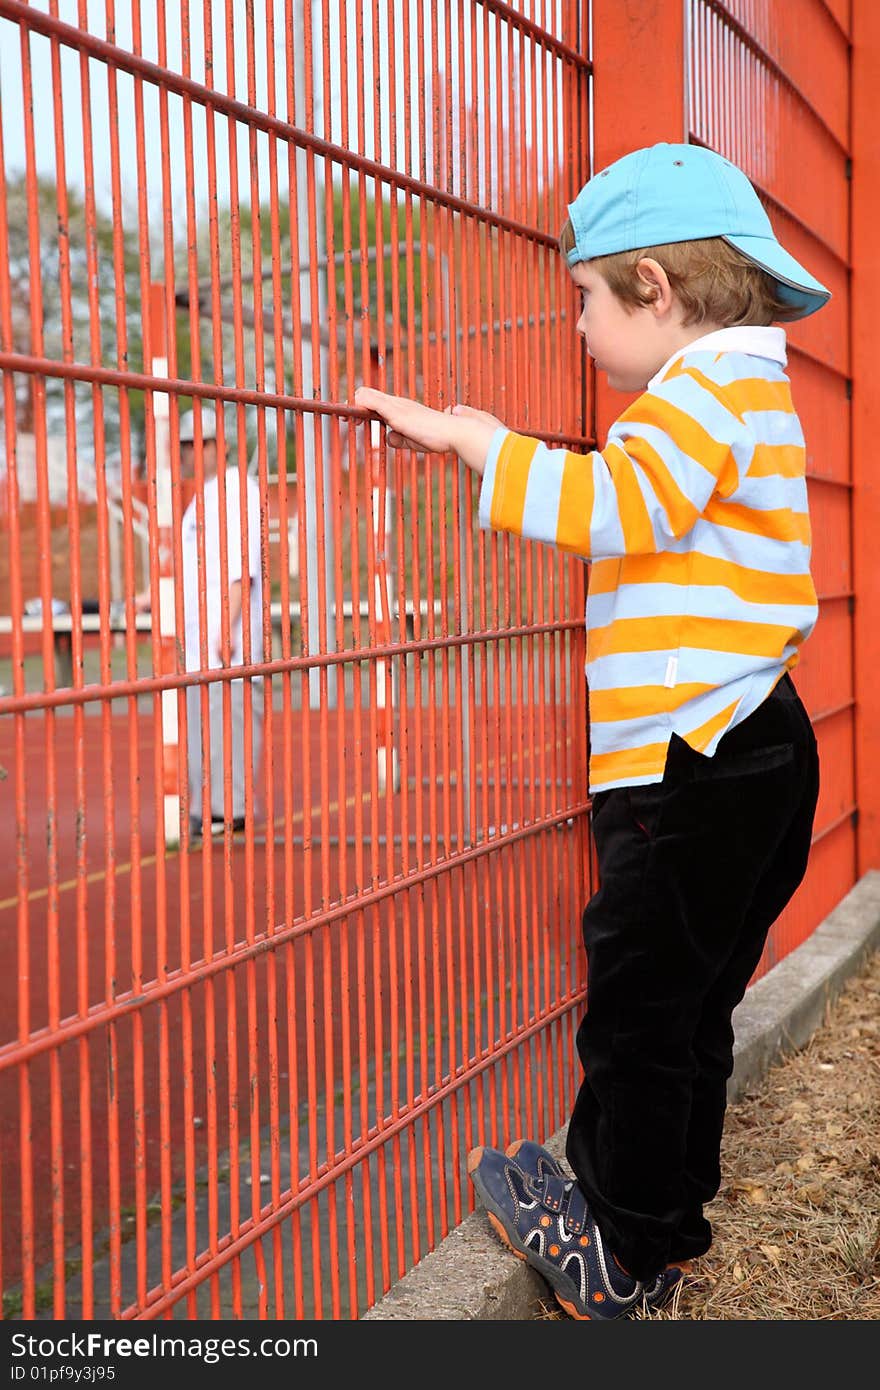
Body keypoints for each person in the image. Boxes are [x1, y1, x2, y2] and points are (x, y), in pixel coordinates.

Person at [354, 142, 825, 1320]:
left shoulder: (704, 393)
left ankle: (616, 1249)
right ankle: (653, 1219)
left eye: (585, 297)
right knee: (681, 1003)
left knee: (641, 1007)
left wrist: (476, 440)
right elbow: (644, 497)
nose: (575, 323)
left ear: (656, 288)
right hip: (744, 742)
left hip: (691, 757)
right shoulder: (736, 391)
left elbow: (615, 504)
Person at [136, 405, 264, 839]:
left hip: (226, 639)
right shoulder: (201, 499)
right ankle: (206, 810)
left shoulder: (236, 491)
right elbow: (191, 570)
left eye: (201, 444)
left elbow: (239, 569)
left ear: (218, 445)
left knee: (228, 723)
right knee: (199, 728)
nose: (193, 453)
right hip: (197, 642)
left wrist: (226, 628)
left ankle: (231, 809)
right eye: (186, 445)